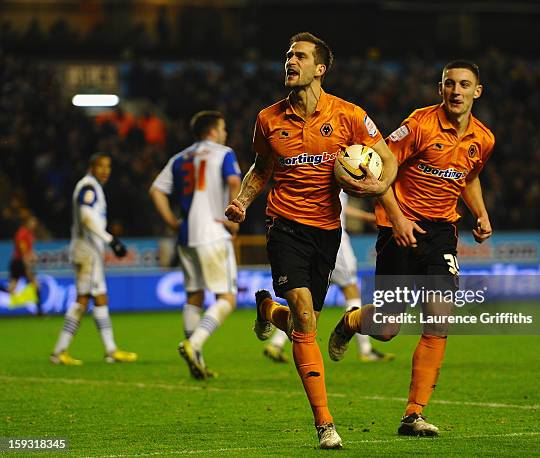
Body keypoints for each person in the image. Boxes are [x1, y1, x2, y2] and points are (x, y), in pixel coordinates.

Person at [225, 32, 397, 449]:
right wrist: (242, 202)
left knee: (307, 322)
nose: (290, 61)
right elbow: (261, 168)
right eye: (287, 55)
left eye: (299, 56)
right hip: (284, 225)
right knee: (304, 314)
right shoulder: (268, 119)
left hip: (326, 230)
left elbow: (387, 157)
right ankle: (325, 425)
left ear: (320, 68)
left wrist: (379, 186)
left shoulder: (350, 116)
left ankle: (267, 308)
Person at [329, 60, 495, 436]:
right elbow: (380, 169)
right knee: (388, 328)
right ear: (440, 89)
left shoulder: (483, 139)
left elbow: (468, 176)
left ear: (477, 91)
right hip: (399, 227)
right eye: (450, 84)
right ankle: (353, 320)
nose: (456, 91)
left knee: (438, 319)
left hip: (442, 232)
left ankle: (413, 414)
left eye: (464, 85)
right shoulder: (418, 125)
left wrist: (481, 214)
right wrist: (398, 218)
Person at [150, 111, 241, 379]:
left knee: (194, 297)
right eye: (223, 128)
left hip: (186, 235)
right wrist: (233, 215)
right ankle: (194, 344)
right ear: (213, 131)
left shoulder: (179, 158)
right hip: (213, 230)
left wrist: (172, 222)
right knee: (227, 298)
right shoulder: (223, 153)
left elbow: (156, 190)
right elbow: (234, 180)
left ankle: (196, 359)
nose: (225, 133)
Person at [264, 191, 395, 363]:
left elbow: (340, 205)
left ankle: (276, 342)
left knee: (305, 304)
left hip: (309, 234)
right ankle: (365, 349)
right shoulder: (337, 170)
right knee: (351, 289)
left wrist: (365, 216)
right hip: (332, 235)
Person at [50, 153, 137, 365]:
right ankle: (59, 351)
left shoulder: (93, 187)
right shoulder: (88, 188)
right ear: (91, 167)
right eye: (101, 166)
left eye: (108, 166)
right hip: (87, 252)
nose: (106, 170)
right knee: (82, 300)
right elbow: (87, 217)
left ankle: (110, 350)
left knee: (100, 298)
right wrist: (111, 240)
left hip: (91, 252)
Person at [6, 212, 42, 314]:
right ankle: (40, 311)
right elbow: (23, 251)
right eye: (33, 222)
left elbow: (28, 250)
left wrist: (32, 255)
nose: (34, 224)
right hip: (19, 262)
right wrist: (27, 265)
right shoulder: (22, 234)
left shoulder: (29, 234)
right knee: (35, 285)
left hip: (18, 261)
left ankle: (39, 311)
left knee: (12, 288)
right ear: (27, 223)